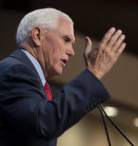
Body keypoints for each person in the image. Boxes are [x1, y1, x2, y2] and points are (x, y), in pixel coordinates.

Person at [0, 8, 126, 146]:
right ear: (37, 35)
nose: (72, 52)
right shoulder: (14, 70)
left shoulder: (28, 78)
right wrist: (93, 73)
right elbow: (46, 122)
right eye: (66, 40)